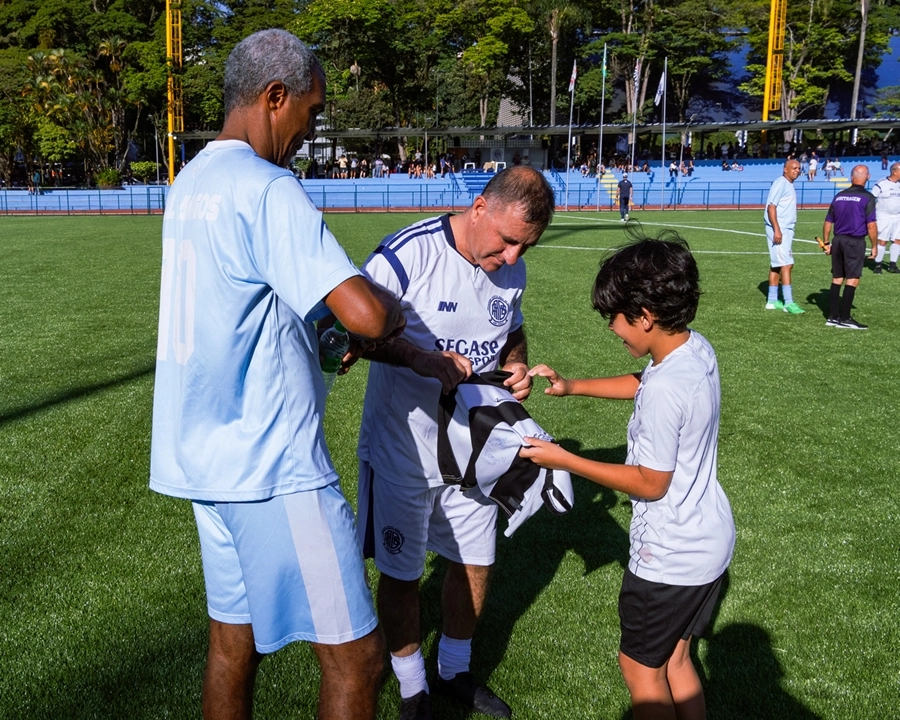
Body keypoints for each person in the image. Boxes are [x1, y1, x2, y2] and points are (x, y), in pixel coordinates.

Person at [149, 29, 405, 720]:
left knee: (232, 646)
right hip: (274, 467)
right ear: (273, 96)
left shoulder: (191, 181)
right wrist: (393, 309)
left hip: (204, 460)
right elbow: (365, 315)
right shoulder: (267, 187)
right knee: (357, 661)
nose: (311, 130)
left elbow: (247, 302)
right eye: (311, 111)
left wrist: (314, 336)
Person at [356, 165, 556, 720]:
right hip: (403, 448)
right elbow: (354, 331)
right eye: (508, 240)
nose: (513, 257)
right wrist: (420, 359)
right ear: (479, 208)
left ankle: (453, 671)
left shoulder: (511, 270)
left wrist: (516, 364)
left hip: (475, 452)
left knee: (474, 562)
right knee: (401, 573)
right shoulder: (407, 255)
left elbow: (511, 329)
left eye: (526, 247)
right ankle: (413, 689)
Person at [520, 232, 735, 720]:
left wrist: (564, 459)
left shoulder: (665, 391)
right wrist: (572, 386)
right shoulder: (693, 350)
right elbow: (646, 382)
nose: (612, 328)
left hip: (670, 556)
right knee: (675, 659)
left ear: (644, 316)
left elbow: (651, 482)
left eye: (615, 318)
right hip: (709, 541)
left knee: (641, 670)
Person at [822, 165, 878, 329]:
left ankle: (833, 317)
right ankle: (845, 318)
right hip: (855, 242)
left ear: (852, 178)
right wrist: (875, 246)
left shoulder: (839, 196)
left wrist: (826, 242)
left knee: (837, 278)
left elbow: (828, 222)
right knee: (852, 279)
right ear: (867, 177)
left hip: (838, 240)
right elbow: (871, 225)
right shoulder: (868, 197)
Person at [764, 159, 804, 314]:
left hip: (785, 229)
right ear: (785, 169)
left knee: (777, 264)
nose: (797, 170)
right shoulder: (780, 182)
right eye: (794, 168)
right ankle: (788, 303)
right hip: (780, 229)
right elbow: (771, 207)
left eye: (799, 168)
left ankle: (772, 300)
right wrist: (777, 230)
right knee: (787, 264)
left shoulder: (788, 184)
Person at [872, 162, 900, 274]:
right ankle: (878, 265)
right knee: (882, 241)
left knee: (898, 240)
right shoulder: (881, 183)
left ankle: (893, 265)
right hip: (884, 216)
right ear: (894, 171)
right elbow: (871, 198)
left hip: (898, 216)